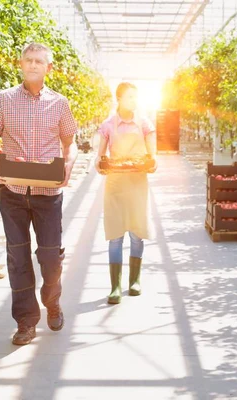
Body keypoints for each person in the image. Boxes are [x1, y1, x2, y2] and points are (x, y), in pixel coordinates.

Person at [0, 43, 79, 345]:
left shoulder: (60, 103)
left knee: (50, 257)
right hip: (12, 191)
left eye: (39, 61)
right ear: (21, 65)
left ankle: (52, 299)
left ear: (48, 67)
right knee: (18, 256)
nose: (34, 65)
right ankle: (26, 321)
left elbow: (70, 143)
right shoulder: (5, 99)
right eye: (29, 60)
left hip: (47, 193)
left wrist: (69, 165)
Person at [95, 82, 156, 304]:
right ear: (119, 99)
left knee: (137, 233)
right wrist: (102, 165)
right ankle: (115, 287)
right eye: (129, 97)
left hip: (138, 182)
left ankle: (135, 281)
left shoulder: (145, 124)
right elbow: (99, 158)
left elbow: (153, 156)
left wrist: (151, 162)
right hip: (116, 184)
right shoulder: (108, 125)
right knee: (115, 235)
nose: (134, 101)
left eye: (136, 97)